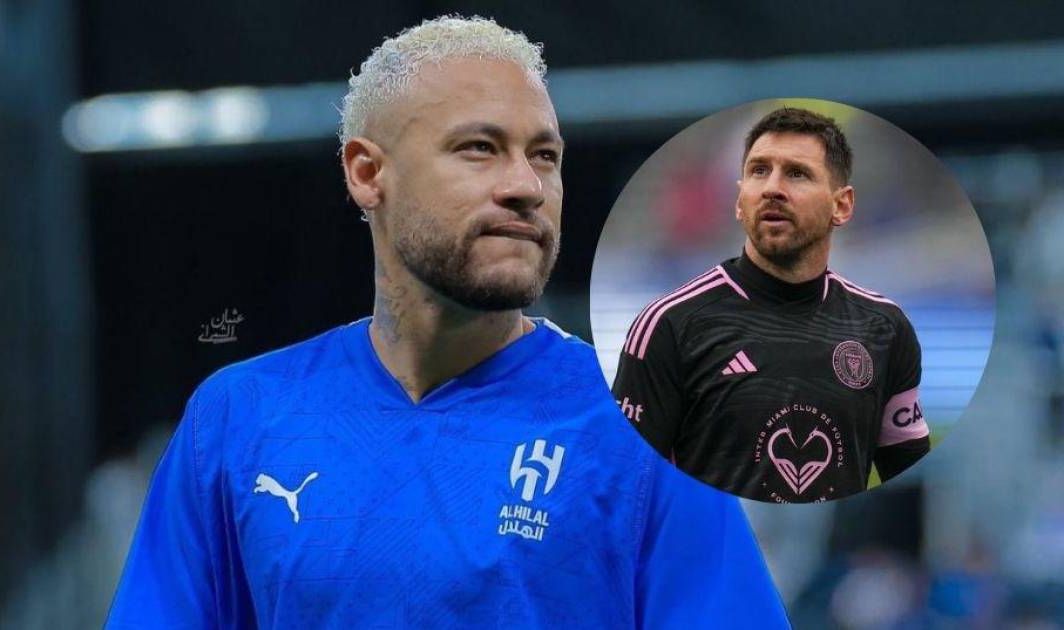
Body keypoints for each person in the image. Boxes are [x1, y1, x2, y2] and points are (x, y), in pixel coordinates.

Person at [106, 16, 787, 628]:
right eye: (479, 148)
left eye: (545, 155)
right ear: (367, 173)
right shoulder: (239, 419)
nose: (525, 186)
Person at [613, 107, 931, 504]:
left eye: (797, 173)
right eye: (759, 171)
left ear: (842, 206)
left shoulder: (885, 327)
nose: (772, 189)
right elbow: (626, 492)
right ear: (739, 200)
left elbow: (908, 482)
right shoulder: (670, 324)